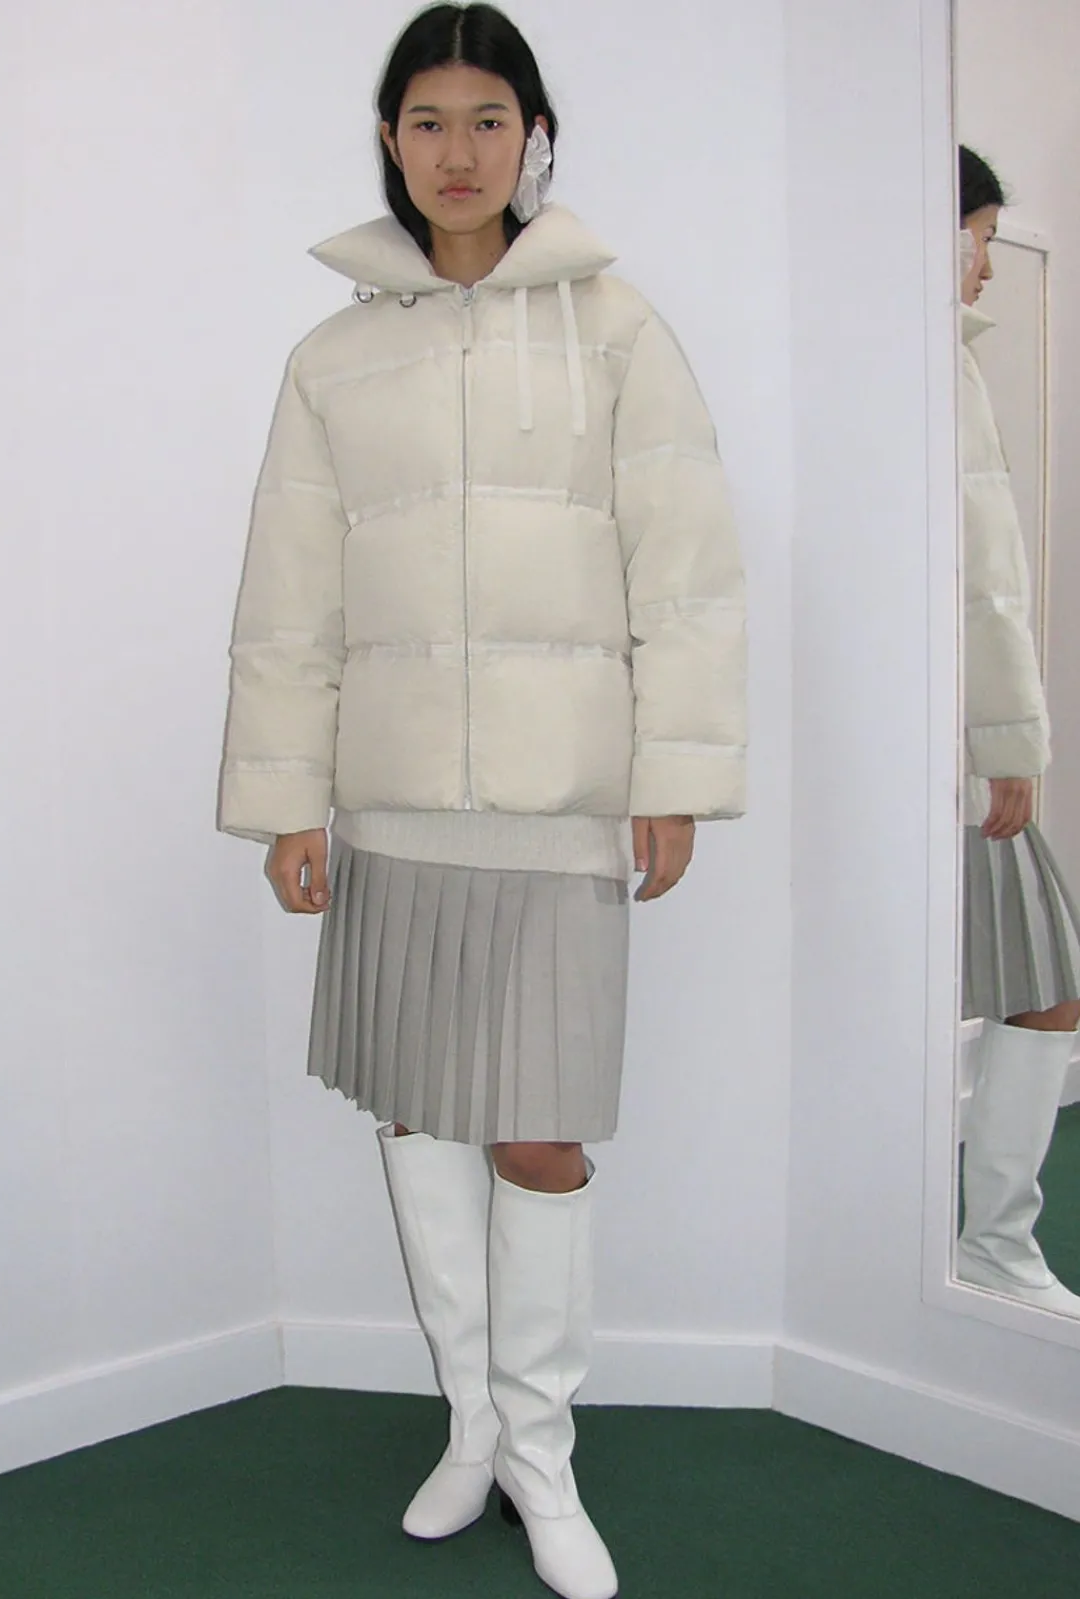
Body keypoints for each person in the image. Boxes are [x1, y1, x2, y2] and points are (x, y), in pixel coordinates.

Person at [219, 7, 747, 1595]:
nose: (458, 151)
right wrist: (290, 799)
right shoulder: (331, 357)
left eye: (489, 119)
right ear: (391, 138)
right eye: (429, 120)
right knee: (419, 1108)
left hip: (560, 803)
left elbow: (688, 573)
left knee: (538, 1129)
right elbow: (289, 600)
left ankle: (542, 1444)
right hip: (391, 808)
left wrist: (676, 776)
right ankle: (469, 1422)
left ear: (534, 137)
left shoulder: (617, 328)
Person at [956, 144, 1080, 1316]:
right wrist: (1009, 746)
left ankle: (993, 1241)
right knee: (1047, 984)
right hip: (951, 755)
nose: (988, 264)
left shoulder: (943, 362)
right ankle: (995, 1243)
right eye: (982, 236)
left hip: (941, 746)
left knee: (1042, 983)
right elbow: (983, 588)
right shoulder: (934, 371)